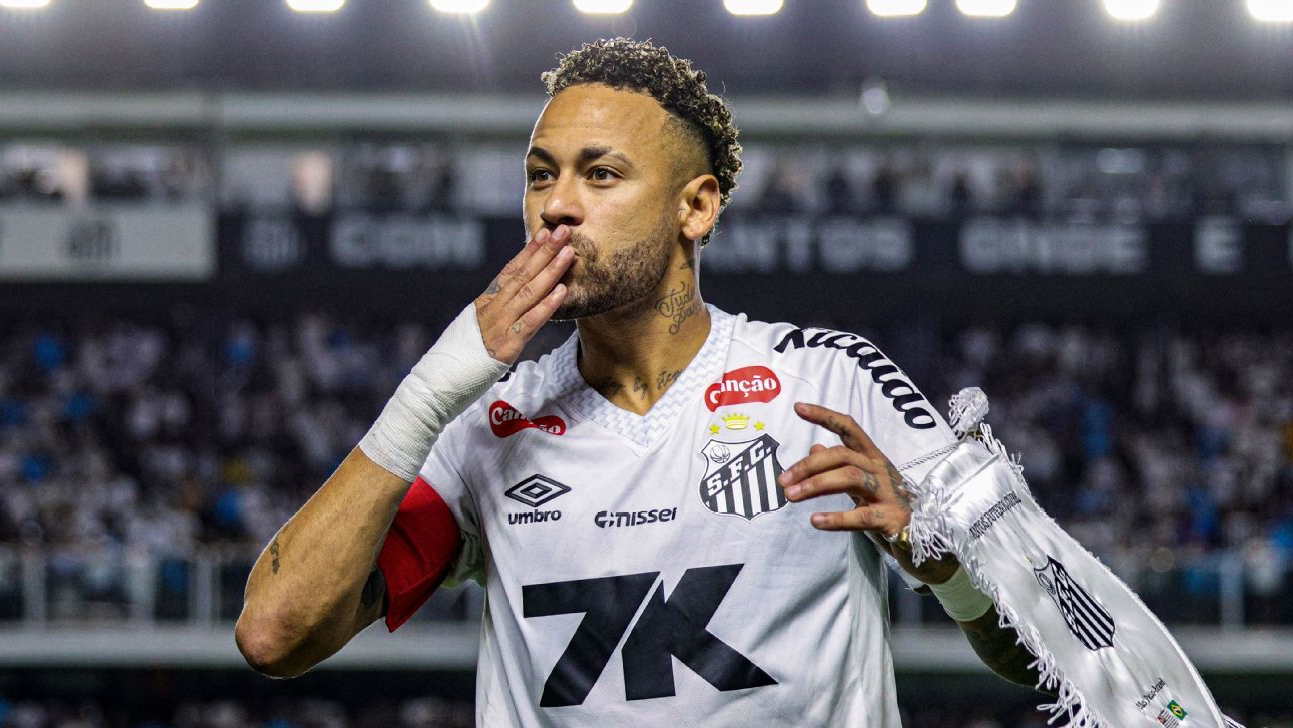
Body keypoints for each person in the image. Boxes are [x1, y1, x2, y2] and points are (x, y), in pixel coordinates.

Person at [235, 38, 1040, 726]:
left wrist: (950, 572)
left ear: (697, 208)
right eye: (540, 176)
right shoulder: (486, 430)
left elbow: (1043, 649)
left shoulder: (832, 383)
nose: (557, 206)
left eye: (601, 174)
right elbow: (274, 635)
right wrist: (428, 395)